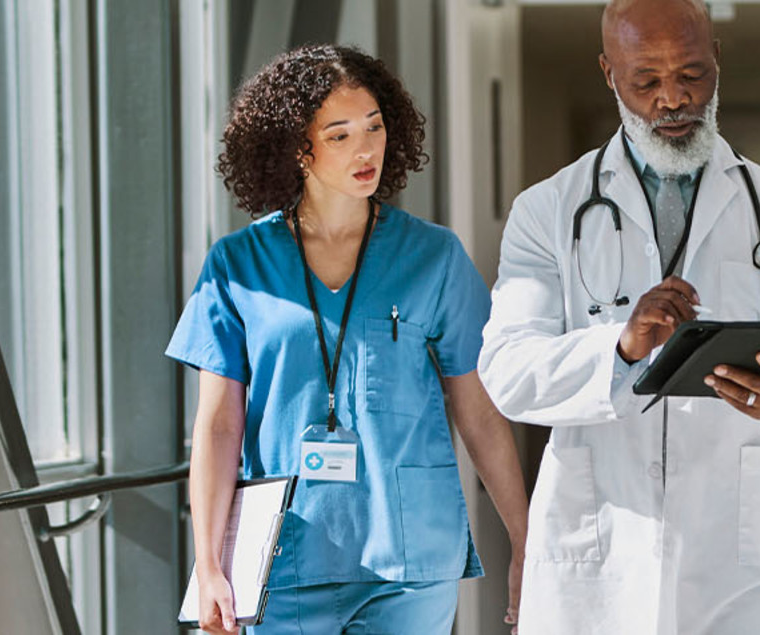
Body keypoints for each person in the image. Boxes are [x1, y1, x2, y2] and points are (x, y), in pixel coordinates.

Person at [477, 0, 760, 634]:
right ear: (608, 74)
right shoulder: (548, 212)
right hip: (600, 548)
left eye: (692, 73)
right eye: (646, 81)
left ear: (717, 57)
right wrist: (620, 347)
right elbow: (507, 370)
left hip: (740, 558)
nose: (673, 98)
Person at [170, 44, 528, 634]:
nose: (366, 149)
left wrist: (524, 539)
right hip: (283, 561)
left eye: (375, 126)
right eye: (339, 135)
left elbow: (480, 412)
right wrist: (208, 564)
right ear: (295, 149)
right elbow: (217, 425)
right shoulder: (238, 265)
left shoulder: (434, 258)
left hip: (409, 562)